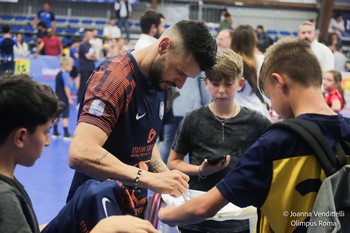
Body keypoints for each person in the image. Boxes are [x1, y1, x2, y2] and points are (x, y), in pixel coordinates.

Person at [158, 38, 350, 233]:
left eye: (269, 95)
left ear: (279, 82)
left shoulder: (275, 142)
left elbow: (204, 206)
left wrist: (165, 215)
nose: (273, 105)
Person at [66, 20, 217, 226]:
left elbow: (145, 138)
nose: (180, 84)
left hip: (129, 211)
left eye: (187, 78)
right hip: (94, 214)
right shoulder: (115, 80)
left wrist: (163, 172)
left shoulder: (159, 81)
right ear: (164, 46)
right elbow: (80, 152)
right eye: (180, 72)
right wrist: (149, 179)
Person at [0, 74, 158, 233]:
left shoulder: (7, 183)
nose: (47, 142)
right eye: (46, 132)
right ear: (20, 137)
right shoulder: (6, 199)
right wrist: (102, 230)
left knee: (92, 194)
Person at [167, 48, 271, 233]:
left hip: (238, 216)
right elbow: (173, 162)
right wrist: (200, 170)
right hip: (195, 215)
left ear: (240, 84)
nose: (221, 90)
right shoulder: (193, 118)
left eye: (228, 84)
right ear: (206, 83)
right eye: (215, 83)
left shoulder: (257, 122)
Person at [231, 24, 270, 119]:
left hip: (234, 112)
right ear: (253, 41)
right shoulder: (262, 60)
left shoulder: (229, 61)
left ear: (234, 40)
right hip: (257, 112)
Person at [52, 57, 75, 140]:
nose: (72, 67)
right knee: (65, 115)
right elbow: (66, 88)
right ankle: (66, 133)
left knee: (56, 114)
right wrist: (69, 99)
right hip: (64, 98)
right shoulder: (65, 75)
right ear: (66, 65)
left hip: (57, 97)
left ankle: (55, 132)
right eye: (71, 66)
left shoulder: (58, 74)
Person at [77, 29, 97, 107]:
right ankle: (79, 103)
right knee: (83, 86)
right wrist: (93, 57)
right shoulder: (82, 45)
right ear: (85, 35)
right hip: (84, 68)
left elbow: (96, 56)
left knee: (90, 86)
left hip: (91, 68)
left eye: (90, 35)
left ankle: (87, 102)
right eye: (88, 34)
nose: (90, 36)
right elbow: (88, 57)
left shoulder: (91, 45)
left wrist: (93, 57)